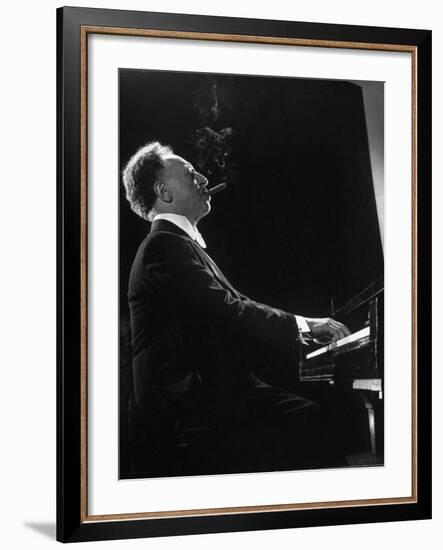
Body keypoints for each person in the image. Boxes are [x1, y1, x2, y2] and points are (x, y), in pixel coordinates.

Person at [122, 141, 350, 477]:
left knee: (309, 418)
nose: (202, 177)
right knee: (309, 421)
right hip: (188, 413)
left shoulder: (177, 244)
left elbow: (224, 319)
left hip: (212, 397)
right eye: (189, 173)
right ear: (163, 192)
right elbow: (228, 311)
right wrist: (303, 325)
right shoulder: (162, 246)